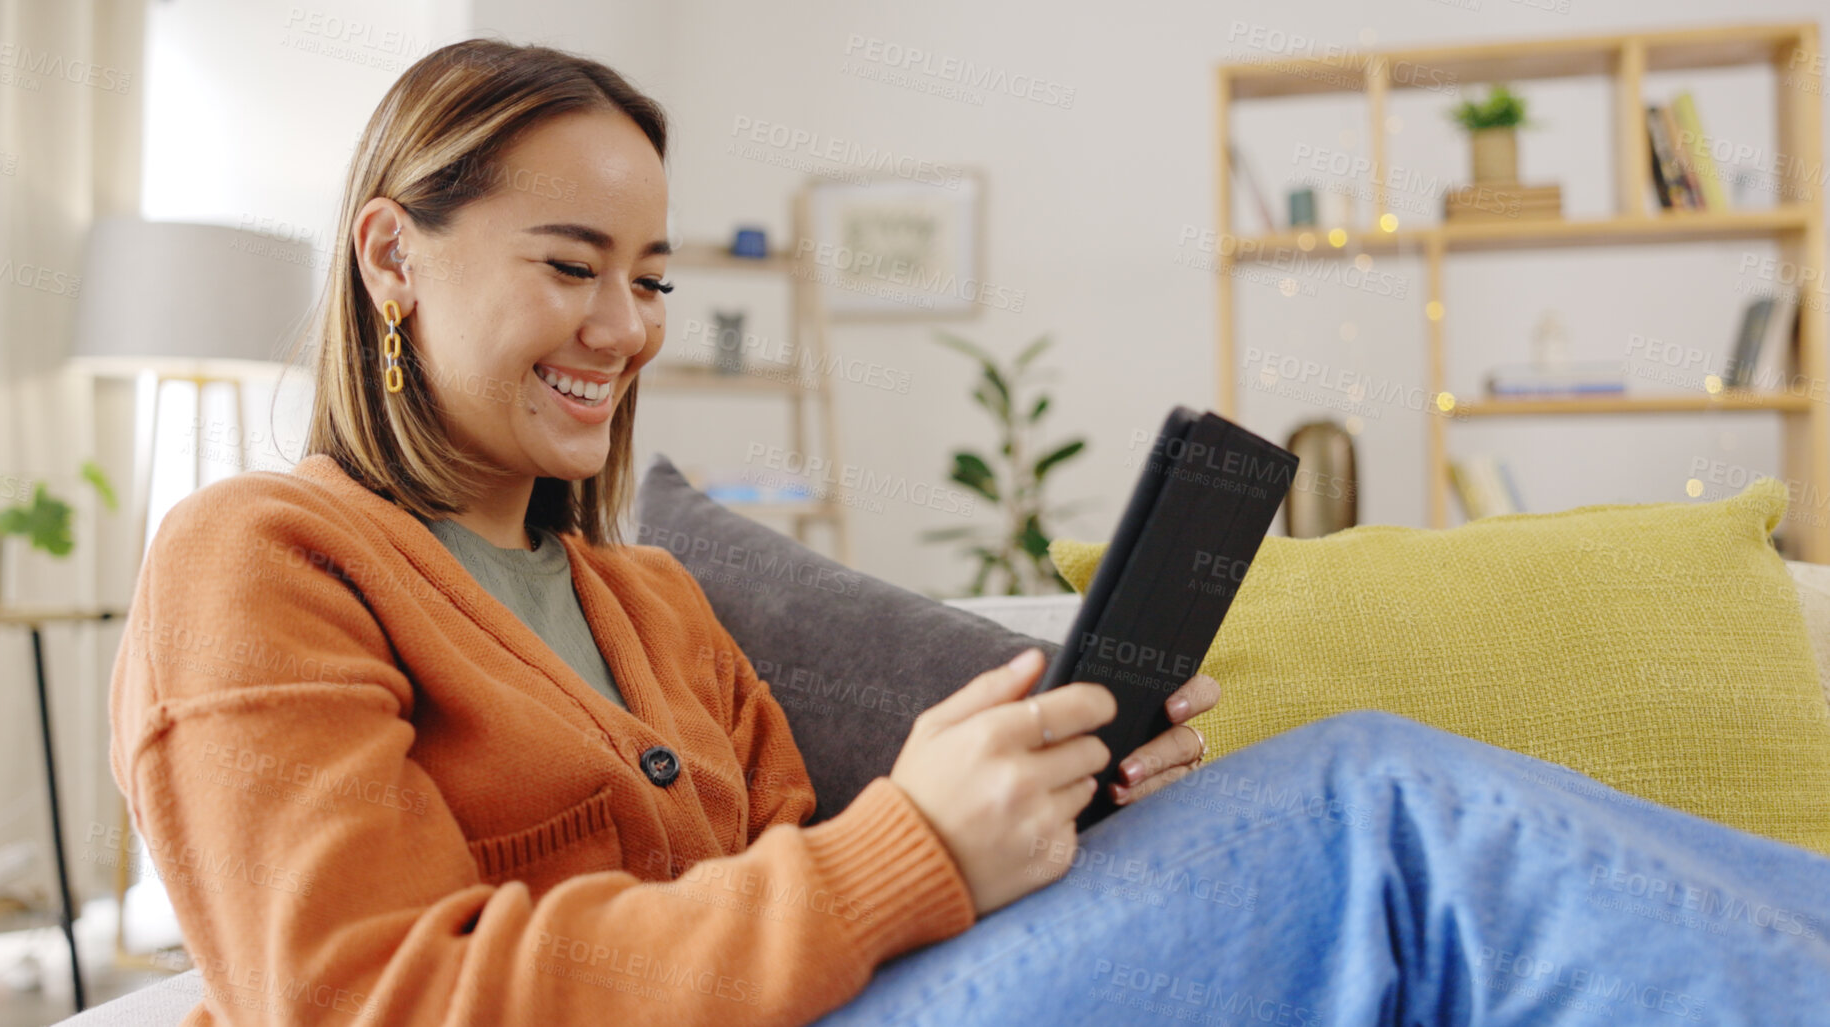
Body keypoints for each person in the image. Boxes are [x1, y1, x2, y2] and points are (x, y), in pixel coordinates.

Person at [109, 39, 1830, 1027]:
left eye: (649, 280)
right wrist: (903, 848)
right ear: (392, 256)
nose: (625, 327)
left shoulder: (646, 603)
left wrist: (1029, 801)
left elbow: (785, 887)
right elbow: (358, 1002)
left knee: (1382, 826)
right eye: (571, 265)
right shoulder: (258, 560)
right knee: (1381, 809)